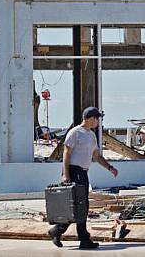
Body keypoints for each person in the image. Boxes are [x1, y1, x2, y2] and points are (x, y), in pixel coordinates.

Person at [49, 107, 119, 250]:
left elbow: (97, 156)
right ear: (90, 118)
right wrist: (65, 174)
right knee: (76, 205)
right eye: (97, 118)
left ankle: (66, 233)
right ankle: (67, 233)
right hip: (74, 171)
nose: (99, 121)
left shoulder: (91, 136)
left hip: (83, 173)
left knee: (82, 207)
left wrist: (110, 167)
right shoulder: (75, 133)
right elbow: (66, 154)